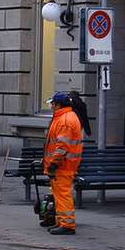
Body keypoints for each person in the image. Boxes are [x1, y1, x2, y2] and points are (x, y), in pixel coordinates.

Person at [43, 92, 83, 235]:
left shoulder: (65, 120)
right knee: (59, 194)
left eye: (52, 103)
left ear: (58, 104)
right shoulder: (65, 117)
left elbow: (62, 146)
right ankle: (61, 222)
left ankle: (67, 224)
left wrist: (53, 163)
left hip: (63, 165)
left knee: (63, 194)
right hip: (65, 164)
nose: (51, 106)